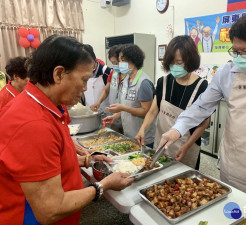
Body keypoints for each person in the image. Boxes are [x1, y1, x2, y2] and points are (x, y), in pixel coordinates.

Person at [157, 12, 246, 204]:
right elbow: (201, 107)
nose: (239, 57)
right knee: (231, 210)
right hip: (232, 163)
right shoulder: (227, 72)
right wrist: (177, 129)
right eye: (235, 51)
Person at [0, 35, 134, 225]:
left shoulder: (45, 106)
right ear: (59, 74)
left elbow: (48, 161)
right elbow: (51, 210)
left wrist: (86, 159)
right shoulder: (33, 125)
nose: (85, 88)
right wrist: (103, 185)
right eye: (84, 80)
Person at [135, 35, 209, 169]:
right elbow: (153, 111)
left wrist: (186, 146)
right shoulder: (163, 82)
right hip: (162, 143)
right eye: (171, 63)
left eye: (179, 63)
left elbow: (204, 123)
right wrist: (142, 129)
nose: (175, 67)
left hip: (186, 146)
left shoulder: (202, 86)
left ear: (190, 60)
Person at [103, 44, 156, 148]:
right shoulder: (126, 80)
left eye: (122, 60)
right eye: (119, 60)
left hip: (143, 137)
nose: (119, 63)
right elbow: (128, 106)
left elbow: (146, 111)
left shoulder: (143, 82)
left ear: (133, 60)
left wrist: (122, 108)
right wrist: (116, 116)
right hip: (130, 134)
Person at [90, 44, 124, 132]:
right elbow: (106, 90)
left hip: (127, 117)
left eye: (116, 63)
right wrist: (98, 102)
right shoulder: (114, 73)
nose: (115, 65)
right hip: (115, 116)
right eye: (113, 63)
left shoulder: (130, 76)